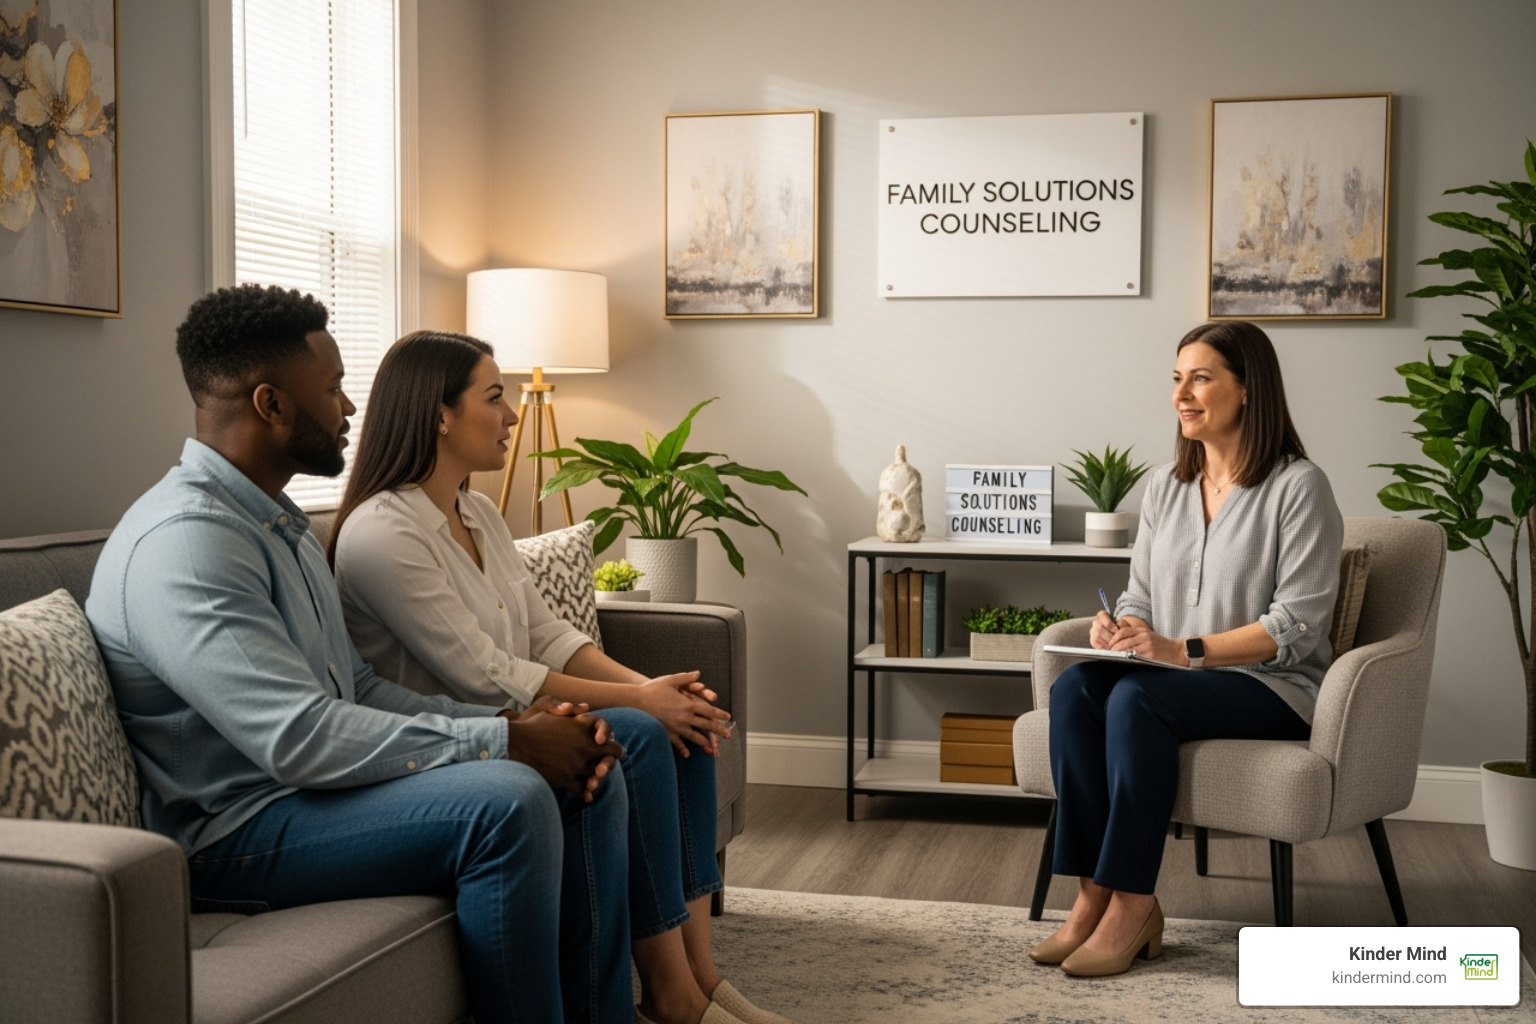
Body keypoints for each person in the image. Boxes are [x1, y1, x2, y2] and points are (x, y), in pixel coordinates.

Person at [85, 284, 634, 1024]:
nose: (350, 410)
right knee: (507, 800)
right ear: (272, 405)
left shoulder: (274, 522)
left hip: (307, 797)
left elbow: (359, 686)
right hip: (235, 831)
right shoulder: (186, 542)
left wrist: (523, 724)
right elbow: (300, 737)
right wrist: (501, 741)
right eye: (335, 388)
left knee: (585, 767)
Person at [328, 330, 790, 1024]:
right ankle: (672, 997)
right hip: (460, 742)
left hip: (525, 717)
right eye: (494, 397)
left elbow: (547, 635)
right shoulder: (383, 533)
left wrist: (659, 690)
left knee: (685, 725)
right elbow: (486, 677)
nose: (513, 413)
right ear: (439, 414)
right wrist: (640, 701)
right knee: (637, 731)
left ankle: (701, 978)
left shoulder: (477, 511)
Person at [1032, 320, 1342, 978]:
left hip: (1275, 687)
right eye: (1178, 378)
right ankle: (1090, 894)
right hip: (1174, 676)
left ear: (1248, 388)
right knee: (1078, 688)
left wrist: (1182, 650)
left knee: (1138, 699)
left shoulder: (1298, 487)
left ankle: (1134, 903)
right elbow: (1140, 591)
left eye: (1201, 377)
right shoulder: (1166, 488)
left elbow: (1298, 625)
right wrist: (1121, 627)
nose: (1183, 393)